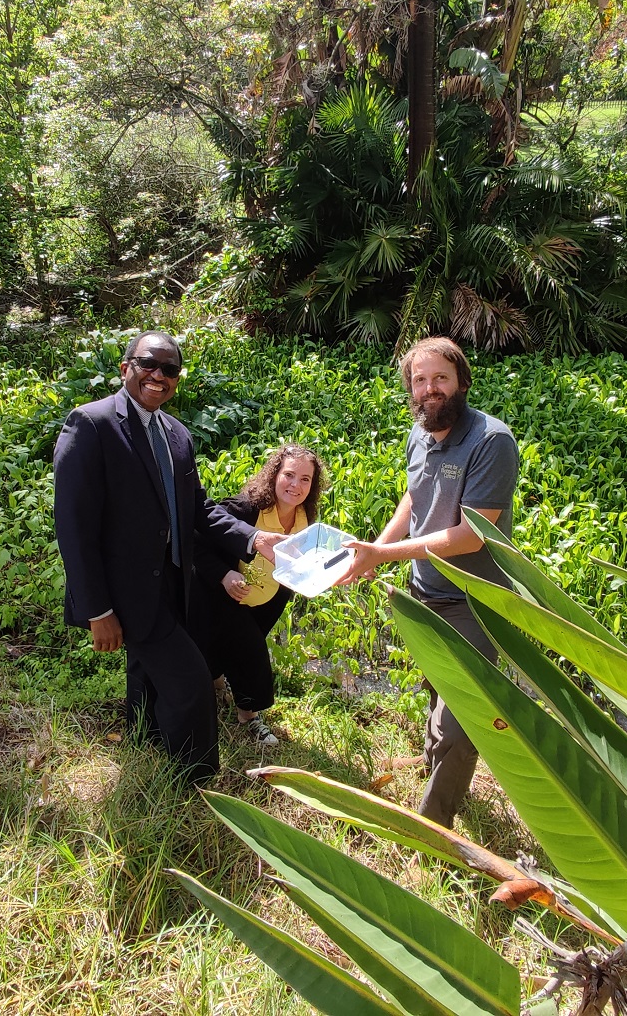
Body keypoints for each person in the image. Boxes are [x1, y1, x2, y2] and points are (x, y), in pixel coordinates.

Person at [52, 330, 285, 784]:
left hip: (175, 583)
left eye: (170, 369)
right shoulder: (91, 424)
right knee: (191, 684)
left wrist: (254, 539)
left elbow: (196, 510)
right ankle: (197, 785)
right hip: (125, 592)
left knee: (146, 672)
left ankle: (142, 745)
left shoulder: (177, 434)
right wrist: (98, 609)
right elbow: (74, 529)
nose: (159, 376)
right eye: (148, 365)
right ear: (126, 369)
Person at [337, 337, 519, 827]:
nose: (429, 388)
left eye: (440, 377)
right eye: (419, 380)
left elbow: (469, 536)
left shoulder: (490, 441)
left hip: (473, 597)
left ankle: (433, 826)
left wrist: (385, 553)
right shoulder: (420, 433)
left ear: (461, 380)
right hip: (425, 590)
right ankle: (429, 757)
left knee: (464, 715)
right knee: (437, 684)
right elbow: (414, 499)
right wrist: (374, 551)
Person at [191, 444, 329, 748]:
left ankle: (217, 688)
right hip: (229, 595)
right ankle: (248, 716)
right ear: (274, 475)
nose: (296, 485)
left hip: (270, 598)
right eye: (289, 475)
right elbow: (198, 538)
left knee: (231, 649)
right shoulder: (246, 508)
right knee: (251, 656)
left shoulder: (306, 513)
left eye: (305, 479)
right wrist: (225, 575)